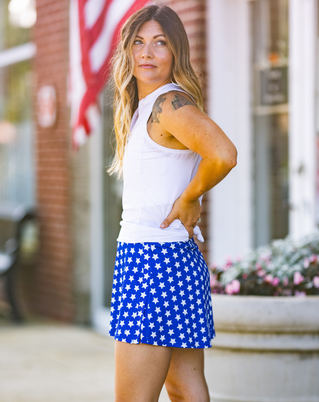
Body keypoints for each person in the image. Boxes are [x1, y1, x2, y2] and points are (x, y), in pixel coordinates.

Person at [107, 5, 237, 402]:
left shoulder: (168, 105)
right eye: (139, 42)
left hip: (152, 262)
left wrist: (189, 198)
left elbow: (223, 153)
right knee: (183, 389)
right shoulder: (148, 106)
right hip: (173, 258)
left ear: (176, 52)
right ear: (128, 51)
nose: (147, 53)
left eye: (160, 43)